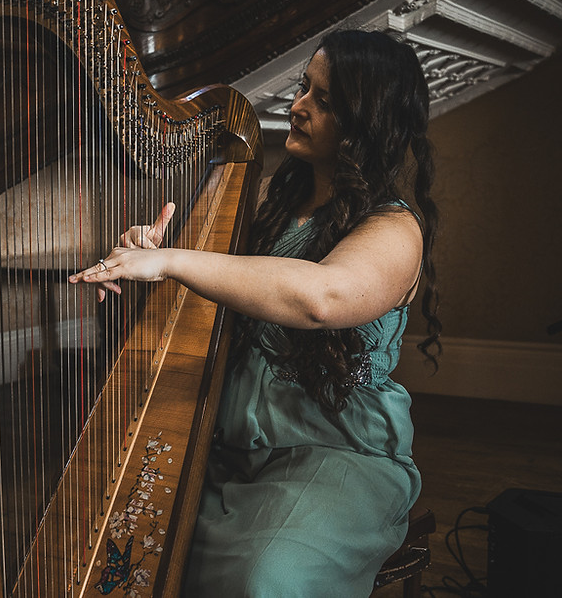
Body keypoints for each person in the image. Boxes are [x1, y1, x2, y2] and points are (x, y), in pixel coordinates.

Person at [69, 29, 441, 597]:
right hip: (232, 449)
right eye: (303, 88)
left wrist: (175, 260)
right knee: (127, 551)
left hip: (337, 454)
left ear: (367, 121)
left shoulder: (394, 229)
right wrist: (148, 259)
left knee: (266, 578)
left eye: (325, 100)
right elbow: (222, 304)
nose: (298, 107)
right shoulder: (271, 205)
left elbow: (322, 298)